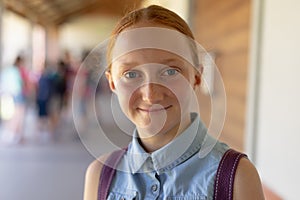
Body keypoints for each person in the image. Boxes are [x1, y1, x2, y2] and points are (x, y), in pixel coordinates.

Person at [84, 5, 264, 200]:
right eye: (131, 74)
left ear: (196, 76)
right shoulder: (100, 177)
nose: (150, 95)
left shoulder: (235, 179)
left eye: (170, 72)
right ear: (112, 83)